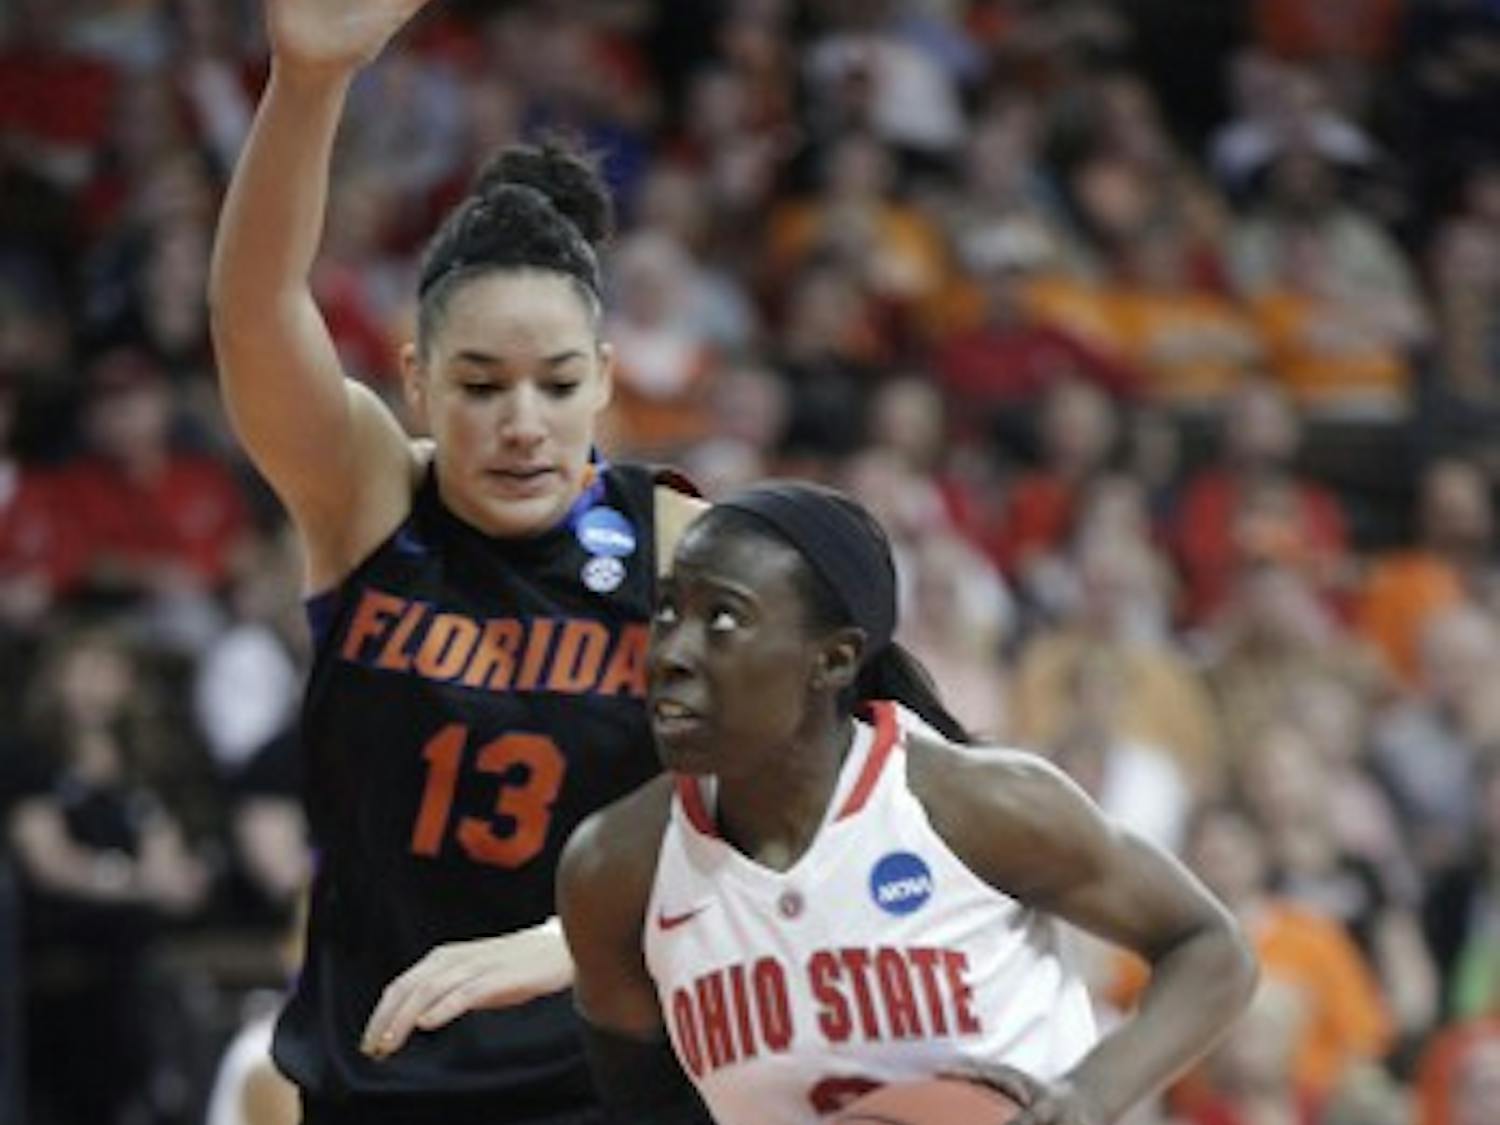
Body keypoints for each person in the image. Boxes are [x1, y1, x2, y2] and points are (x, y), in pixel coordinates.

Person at [208, 1, 703, 1121]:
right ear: (418, 380)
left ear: (605, 377)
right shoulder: (367, 499)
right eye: (480, 385)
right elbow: (252, 316)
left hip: (607, 1086)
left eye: (558, 384)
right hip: (378, 1080)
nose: (523, 422)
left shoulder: (681, 544)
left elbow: (765, 820)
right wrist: (306, 85)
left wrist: (573, 937)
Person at [558, 481, 1258, 1125]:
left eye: (723, 618)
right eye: (667, 609)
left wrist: (1088, 1096)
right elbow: (642, 1107)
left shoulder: (971, 804)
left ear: (834, 660)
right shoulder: (616, 867)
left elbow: (1210, 947)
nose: (670, 652)